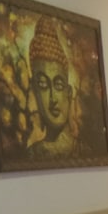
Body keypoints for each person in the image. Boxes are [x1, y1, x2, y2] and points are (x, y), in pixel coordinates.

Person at [26, 15, 80, 159]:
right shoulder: (32, 155)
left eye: (59, 85)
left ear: (69, 92)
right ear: (35, 92)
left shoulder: (84, 150)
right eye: (43, 85)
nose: (52, 99)